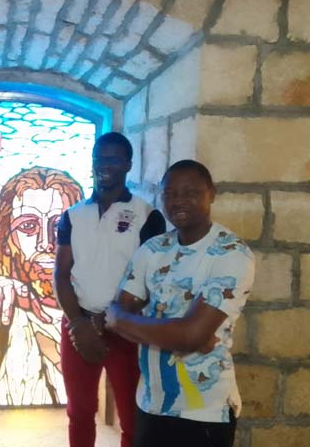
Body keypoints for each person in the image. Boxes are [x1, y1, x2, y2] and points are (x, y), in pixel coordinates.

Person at [106, 160, 255, 447]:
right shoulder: (153, 249)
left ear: (211, 193)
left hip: (204, 409)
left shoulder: (231, 253)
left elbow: (190, 336)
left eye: (190, 193)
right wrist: (179, 333)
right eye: (170, 194)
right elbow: (116, 313)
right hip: (150, 401)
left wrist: (129, 323)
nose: (178, 201)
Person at [54, 132, 166, 447]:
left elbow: (150, 280)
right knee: (79, 412)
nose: (105, 165)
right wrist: (78, 323)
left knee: (131, 417)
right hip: (78, 325)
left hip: (126, 328)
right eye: (99, 159)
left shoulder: (148, 216)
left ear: (128, 164)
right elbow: (61, 274)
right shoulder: (73, 216)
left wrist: (108, 320)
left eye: (113, 159)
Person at [0, 167, 83, 406]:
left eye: (58, 226)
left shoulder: (92, 298)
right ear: (6, 241)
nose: (46, 243)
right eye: (28, 226)